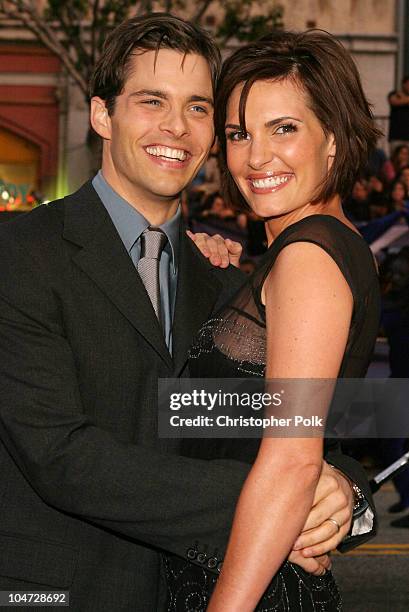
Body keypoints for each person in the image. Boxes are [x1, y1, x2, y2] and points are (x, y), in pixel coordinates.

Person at [0, 15, 374, 611]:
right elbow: (58, 454)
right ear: (102, 114)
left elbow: (265, 416)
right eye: (152, 101)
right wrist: (280, 497)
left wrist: (348, 486)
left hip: (202, 589)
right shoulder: (21, 253)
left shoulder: (228, 278)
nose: (176, 127)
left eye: (199, 108)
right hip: (60, 593)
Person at [164, 29, 380, 611]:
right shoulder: (318, 250)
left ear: (332, 140)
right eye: (239, 134)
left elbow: (290, 458)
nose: (255, 157)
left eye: (283, 128)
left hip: (246, 583)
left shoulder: (308, 257)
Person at [388, 75, 409, 152]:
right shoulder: (394, 93)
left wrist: (403, 98)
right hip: (396, 137)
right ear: (403, 84)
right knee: (395, 161)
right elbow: (394, 101)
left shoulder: (400, 95)